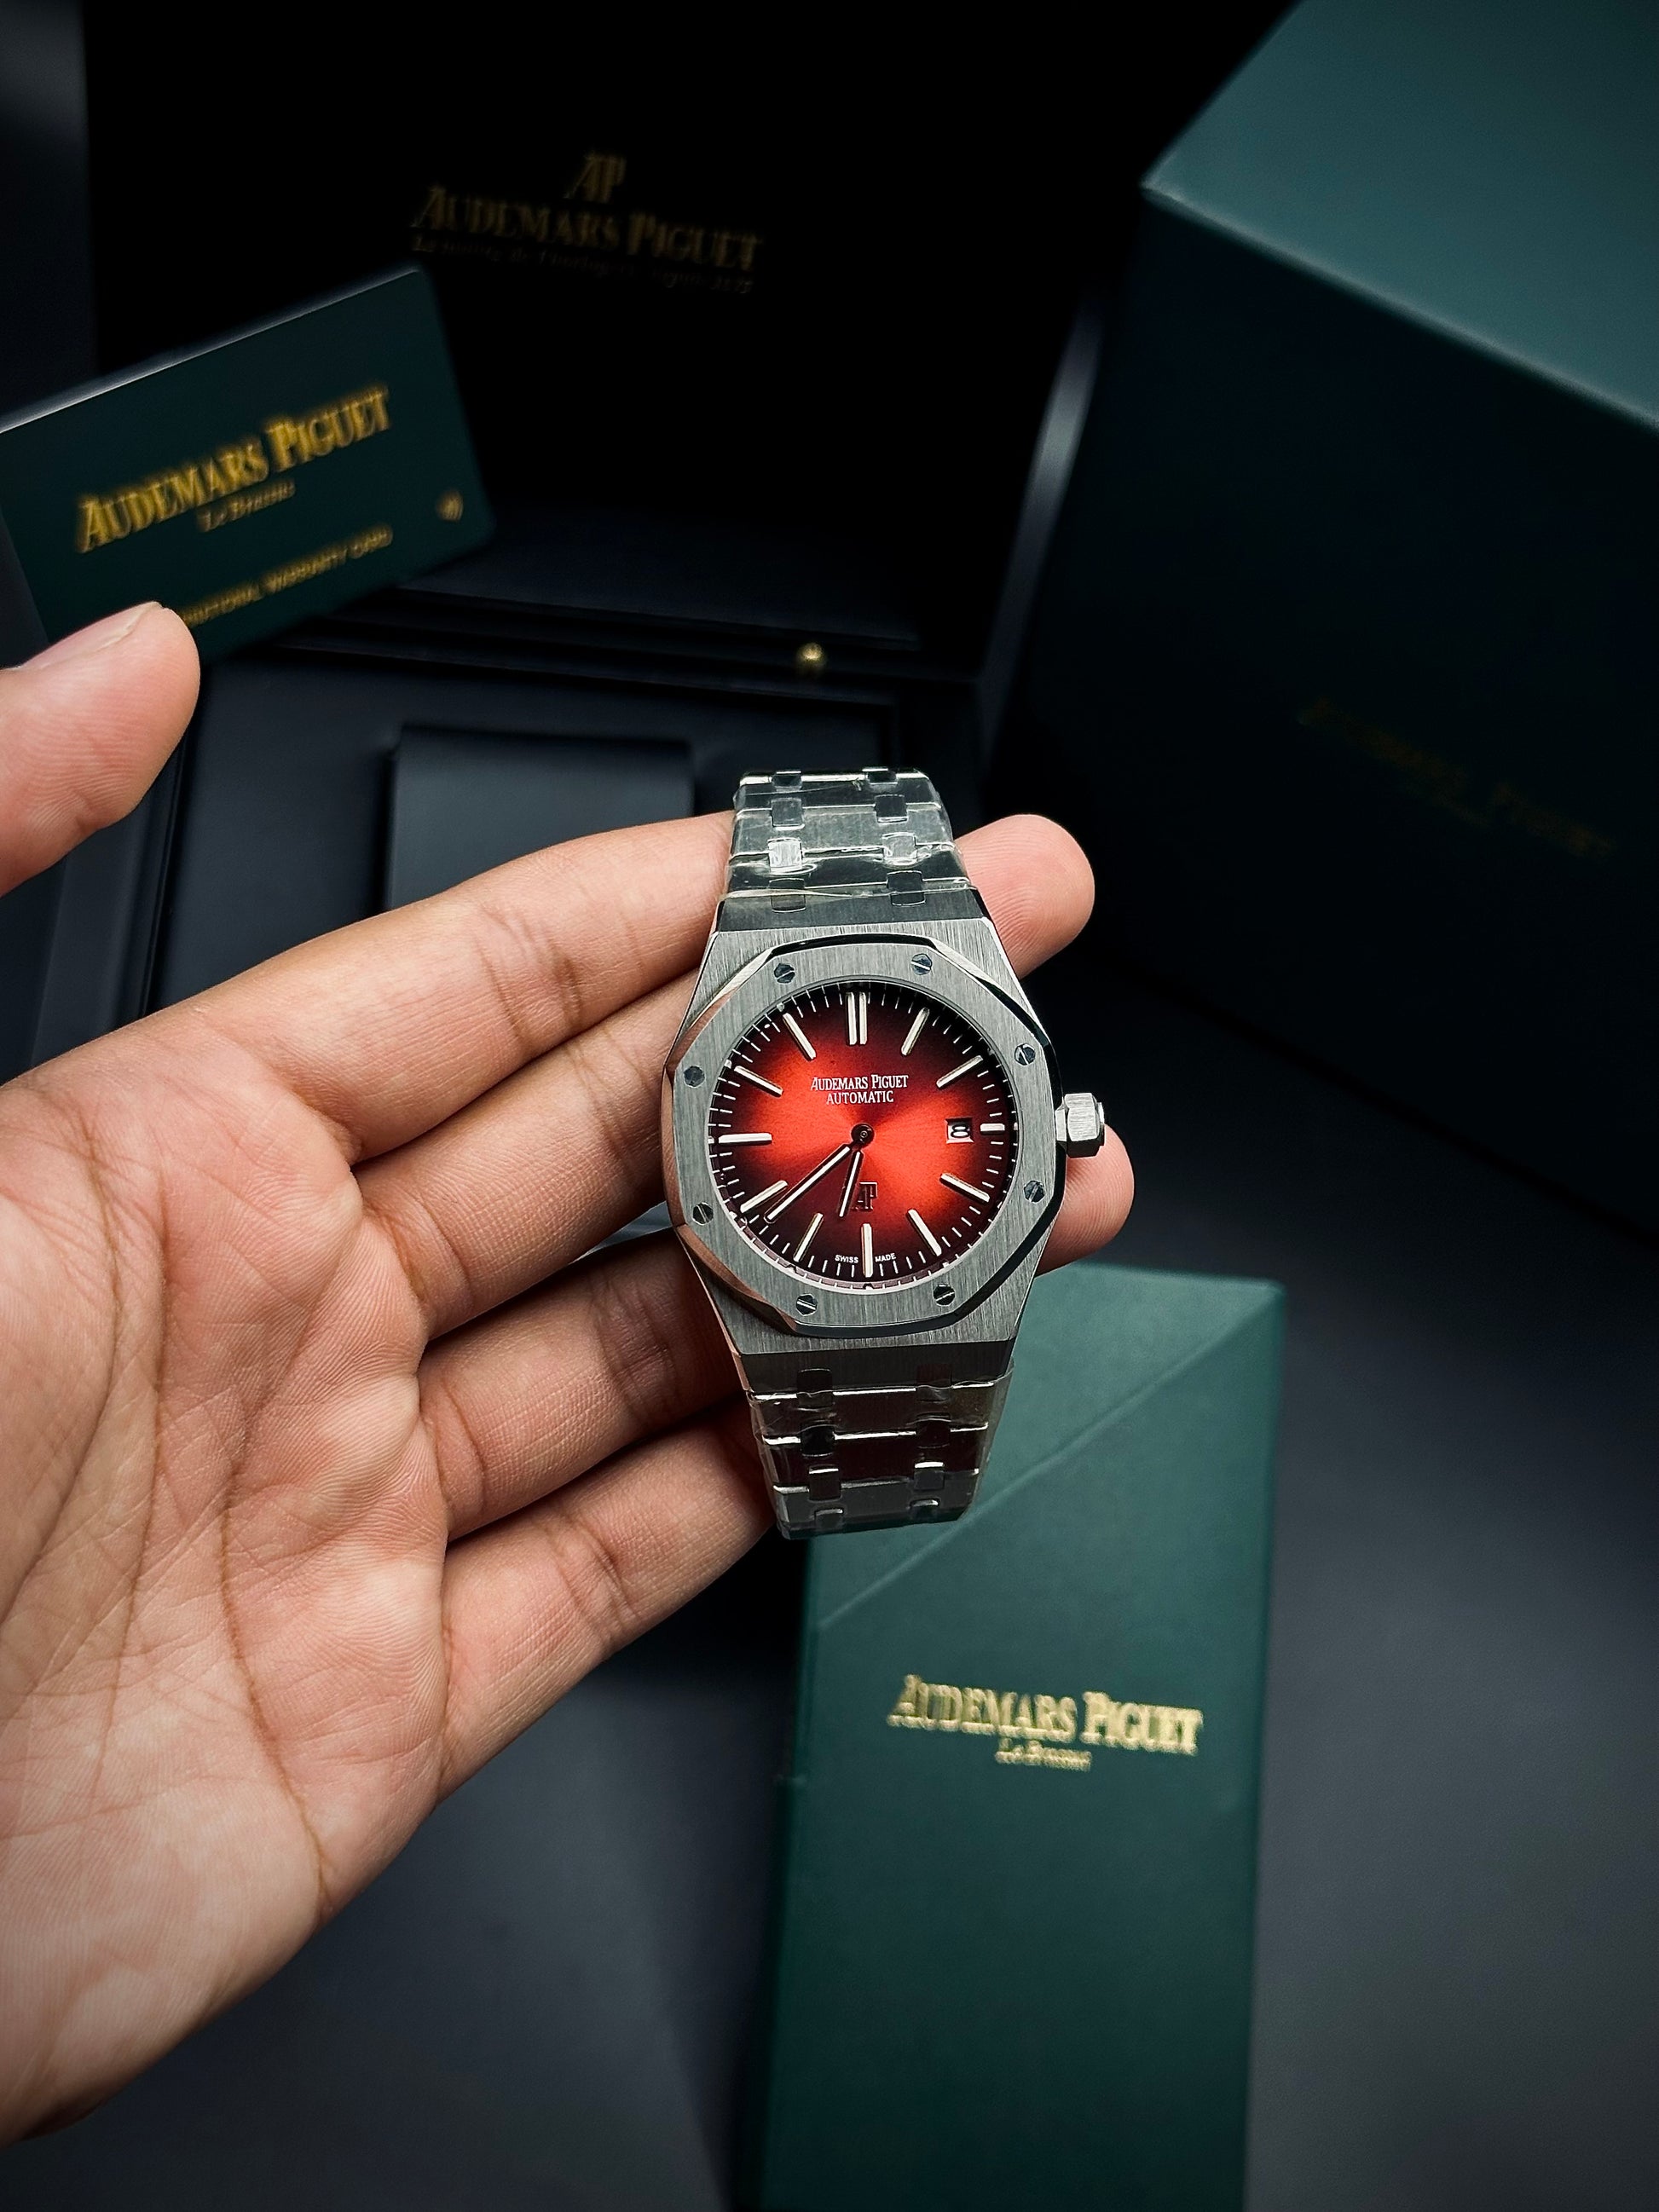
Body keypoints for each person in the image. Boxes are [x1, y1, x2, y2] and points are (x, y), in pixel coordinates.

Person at [0, 606, 1133, 2140]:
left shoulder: (836, 1098)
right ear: (687, 1145)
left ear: (1043, 1129)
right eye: (841, 1122)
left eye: (893, 1121)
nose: (866, 1129)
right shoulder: (767, 1128)